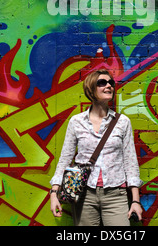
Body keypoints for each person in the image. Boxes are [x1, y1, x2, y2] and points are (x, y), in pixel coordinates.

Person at [49, 69, 143, 226]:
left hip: (116, 194)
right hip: (84, 195)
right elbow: (65, 158)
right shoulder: (76, 122)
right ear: (91, 89)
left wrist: (135, 201)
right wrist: (54, 193)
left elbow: (130, 162)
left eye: (110, 83)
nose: (108, 86)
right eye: (102, 83)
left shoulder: (123, 122)